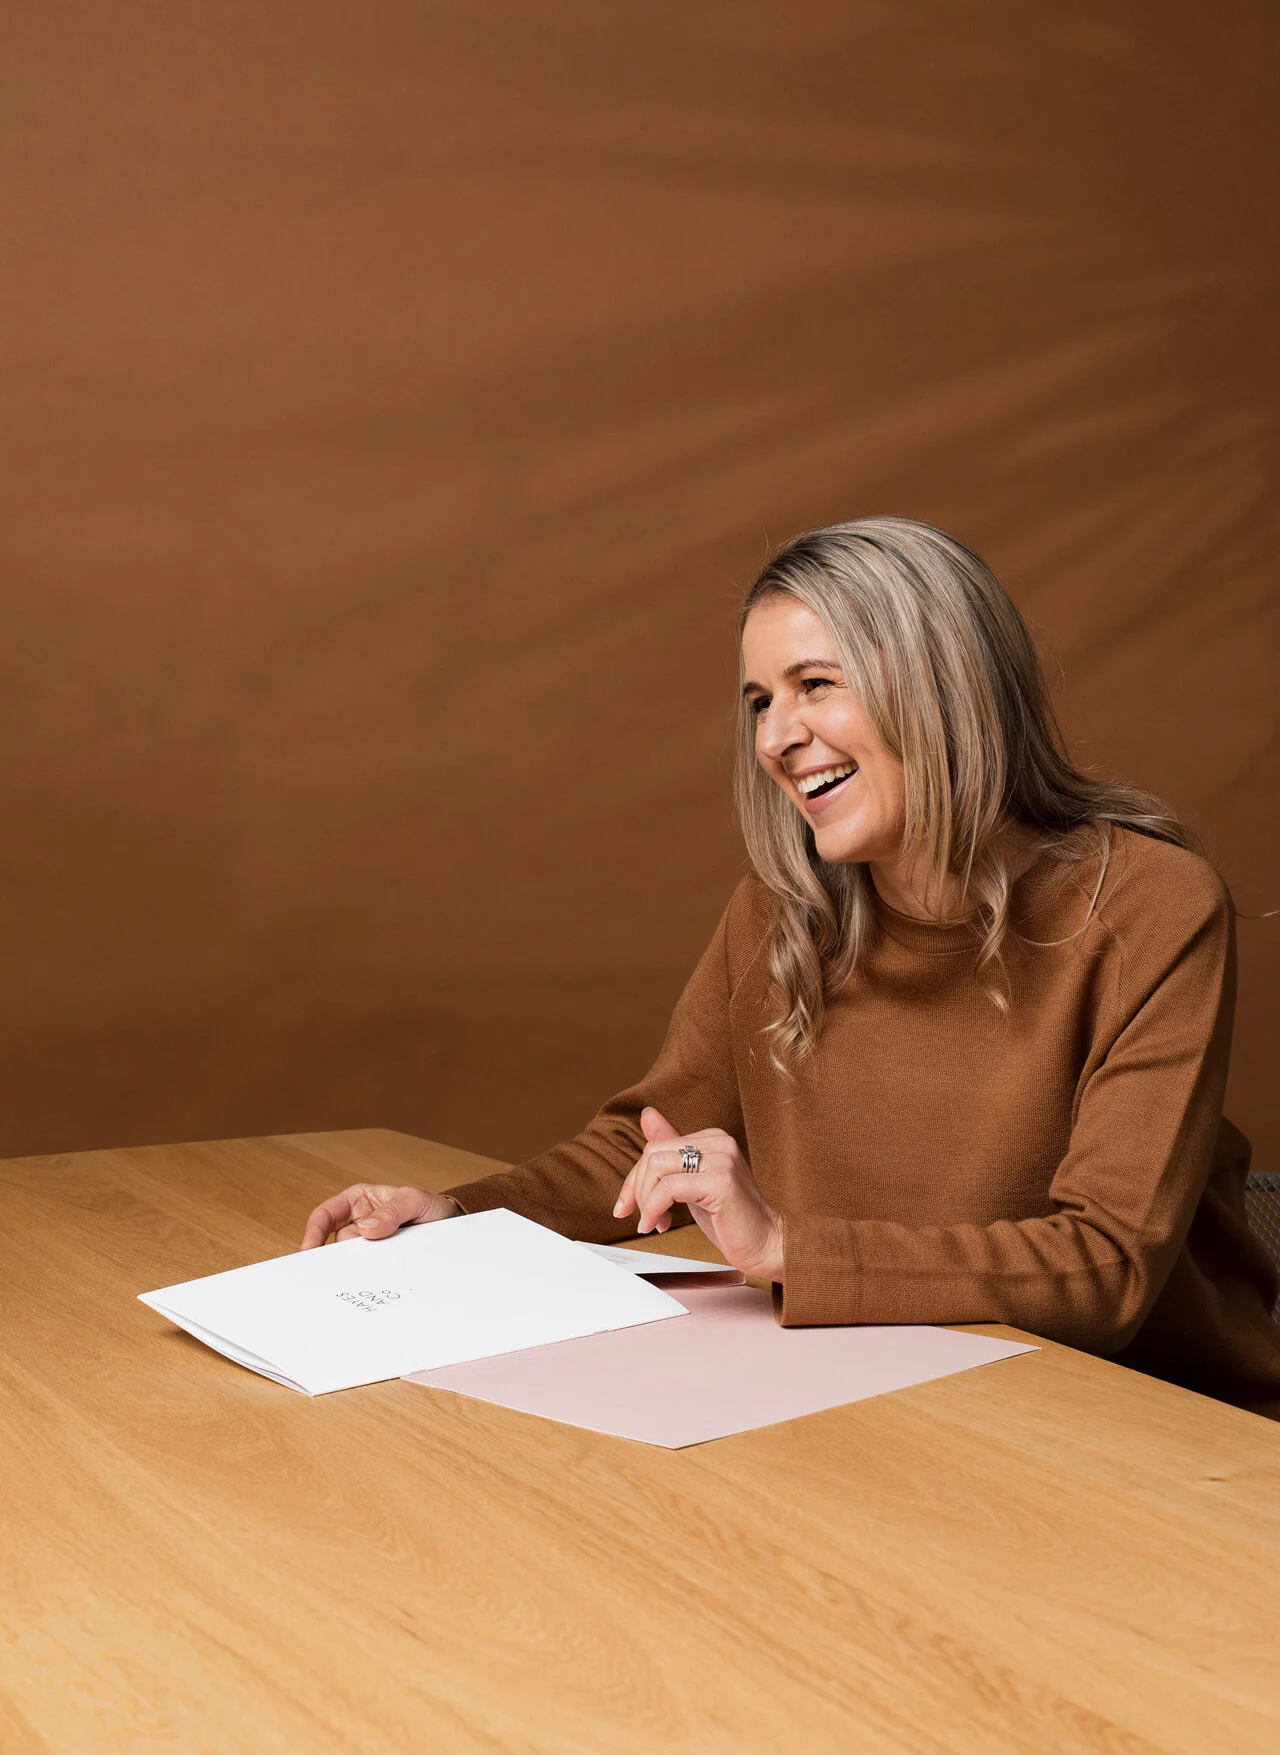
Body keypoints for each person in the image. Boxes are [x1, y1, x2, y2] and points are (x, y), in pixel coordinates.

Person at [302, 517, 1280, 1417]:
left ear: (938, 683)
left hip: (1142, 1426)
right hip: (883, 1392)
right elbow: (647, 1150)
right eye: (760, 702)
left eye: (814, 685)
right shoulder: (783, 910)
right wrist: (458, 1215)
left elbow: (1103, 1269)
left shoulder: (1147, 906)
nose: (773, 738)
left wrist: (784, 1249)